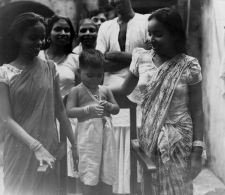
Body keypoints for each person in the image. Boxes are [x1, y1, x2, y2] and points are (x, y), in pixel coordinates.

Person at [111, 8, 205, 195]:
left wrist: (197, 151)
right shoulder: (141, 58)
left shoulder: (189, 65)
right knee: (152, 187)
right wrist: (91, 91)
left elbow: (197, 111)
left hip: (180, 140)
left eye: (159, 34)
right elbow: (124, 90)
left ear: (175, 35)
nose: (152, 39)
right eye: (150, 33)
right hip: (150, 137)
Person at [0, 12, 77, 195]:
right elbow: (7, 119)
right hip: (20, 148)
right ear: (18, 37)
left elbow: (59, 109)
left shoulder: (50, 67)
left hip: (49, 145)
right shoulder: (3, 73)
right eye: (33, 38)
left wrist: (74, 145)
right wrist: (35, 146)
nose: (39, 43)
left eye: (42, 38)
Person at [96, 0, 150, 193]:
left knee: (137, 141)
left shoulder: (146, 22)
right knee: (114, 143)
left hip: (140, 90)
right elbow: (100, 62)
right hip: (112, 93)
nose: (115, 2)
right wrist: (134, 57)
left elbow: (149, 58)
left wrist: (116, 56)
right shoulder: (105, 27)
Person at [66, 49, 120, 195]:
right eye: (89, 75)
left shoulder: (106, 90)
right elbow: (69, 111)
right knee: (89, 169)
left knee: (106, 167)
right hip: (87, 137)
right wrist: (88, 109)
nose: (95, 80)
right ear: (79, 72)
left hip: (106, 136)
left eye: (99, 76)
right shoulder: (76, 91)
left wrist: (109, 106)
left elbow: (116, 109)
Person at [39, 15, 79, 179]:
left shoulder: (75, 59)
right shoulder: (38, 56)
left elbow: (82, 92)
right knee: (48, 170)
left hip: (68, 118)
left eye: (67, 30)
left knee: (71, 170)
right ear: (48, 33)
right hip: (43, 117)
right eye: (58, 29)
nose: (63, 33)